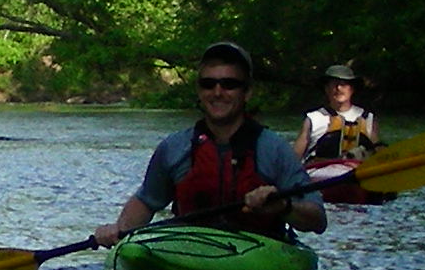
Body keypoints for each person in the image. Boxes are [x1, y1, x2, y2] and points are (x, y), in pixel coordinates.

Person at [93, 40, 327, 248]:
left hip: (259, 249)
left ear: (247, 92)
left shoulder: (273, 149)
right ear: (199, 90)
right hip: (191, 250)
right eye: (208, 84)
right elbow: (146, 201)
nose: (217, 92)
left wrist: (284, 206)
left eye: (229, 84)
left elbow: (317, 219)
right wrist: (118, 229)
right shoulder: (175, 148)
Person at [300, 63, 379, 166]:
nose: (339, 88)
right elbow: (294, 157)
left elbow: (378, 150)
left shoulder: (368, 118)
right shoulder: (313, 118)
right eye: (334, 84)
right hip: (320, 174)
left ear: (352, 89)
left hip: (358, 173)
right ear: (326, 89)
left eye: (343, 84)